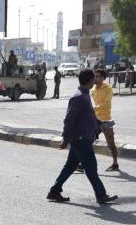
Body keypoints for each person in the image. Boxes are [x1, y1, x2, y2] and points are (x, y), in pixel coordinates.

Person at [47, 69, 117, 205]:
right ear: (90, 80)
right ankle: (101, 195)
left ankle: (54, 191)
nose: (95, 81)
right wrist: (65, 139)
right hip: (80, 139)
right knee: (91, 167)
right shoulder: (78, 97)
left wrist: (100, 123)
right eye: (93, 78)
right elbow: (68, 120)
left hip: (82, 138)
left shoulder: (85, 94)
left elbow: (89, 114)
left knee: (70, 166)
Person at [92, 69, 119, 172]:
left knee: (110, 144)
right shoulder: (93, 89)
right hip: (95, 119)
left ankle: (115, 163)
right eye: (94, 76)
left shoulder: (108, 88)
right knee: (88, 141)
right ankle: (83, 163)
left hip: (106, 120)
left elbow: (107, 104)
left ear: (103, 78)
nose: (95, 78)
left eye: (97, 76)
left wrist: (94, 108)